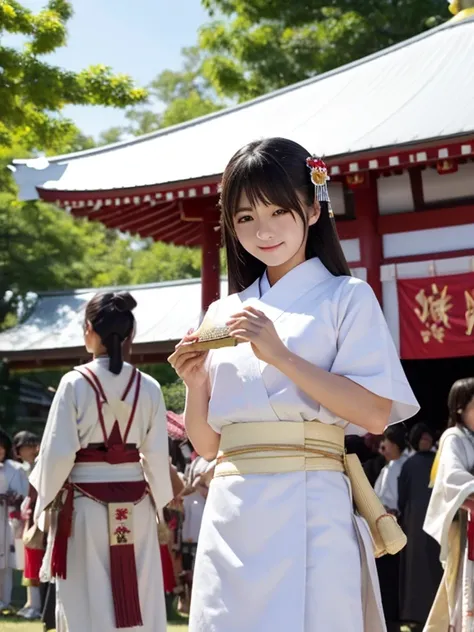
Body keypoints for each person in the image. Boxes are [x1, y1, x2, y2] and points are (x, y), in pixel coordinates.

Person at [169, 137, 419, 632]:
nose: (262, 231)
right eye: (244, 218)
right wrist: (195, 384)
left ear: (311, 209)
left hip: (311, 502)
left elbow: (372, 414)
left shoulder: (347, 297)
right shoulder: (223, 312)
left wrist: (280, 356)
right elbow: (209, 443)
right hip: (232, 511)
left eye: (278, 211)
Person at [30, 291, 173, 632]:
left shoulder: (74, 383)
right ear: (130, 336)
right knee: (139, 588)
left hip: (85, 506)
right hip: (136, 504)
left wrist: (42, 507)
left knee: (86, 591)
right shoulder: (149, 386)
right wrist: (161, 511)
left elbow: (57, 453)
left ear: (89, 330)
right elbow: (156, 456)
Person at [423, 377, 474, 632]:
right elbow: (452, 479)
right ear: (460, 408)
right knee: (465, 589)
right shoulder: (453, 437)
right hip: (467, 527)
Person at [398, 423, 442, 628]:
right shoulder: (408, 464)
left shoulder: (438, 462)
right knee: (416, 566)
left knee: (435, 563)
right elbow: (402, 496)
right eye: (421, 438)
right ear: (416, 440)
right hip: (415, 521)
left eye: (427, 437)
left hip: (434, 518)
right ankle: (414, 614)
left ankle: (436, 611)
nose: (425, 440)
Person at [14, 430, 42, 620]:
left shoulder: (39, 466)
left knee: (35, 561)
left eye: (32, 445)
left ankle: (37, 604)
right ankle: (31, 602)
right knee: (26, 562)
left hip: (38, 519)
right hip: (23, 518)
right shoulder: (19, 469)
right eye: (26, 447)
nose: (31, 449)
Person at [0, 428, 28, 610]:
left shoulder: (16, 469)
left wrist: (14, 498)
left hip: (9, 520)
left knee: (7, 564)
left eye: (2, 447)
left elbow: (24, 494)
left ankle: (5, 601)